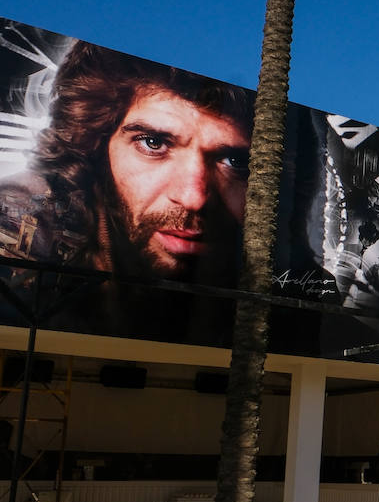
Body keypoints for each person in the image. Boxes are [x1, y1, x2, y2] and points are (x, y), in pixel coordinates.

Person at [0, 41, 253, 337]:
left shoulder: (291, 291)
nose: (193, 198)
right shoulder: (28, 215)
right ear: (96, 144)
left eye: (234, 161)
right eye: (153, 143)